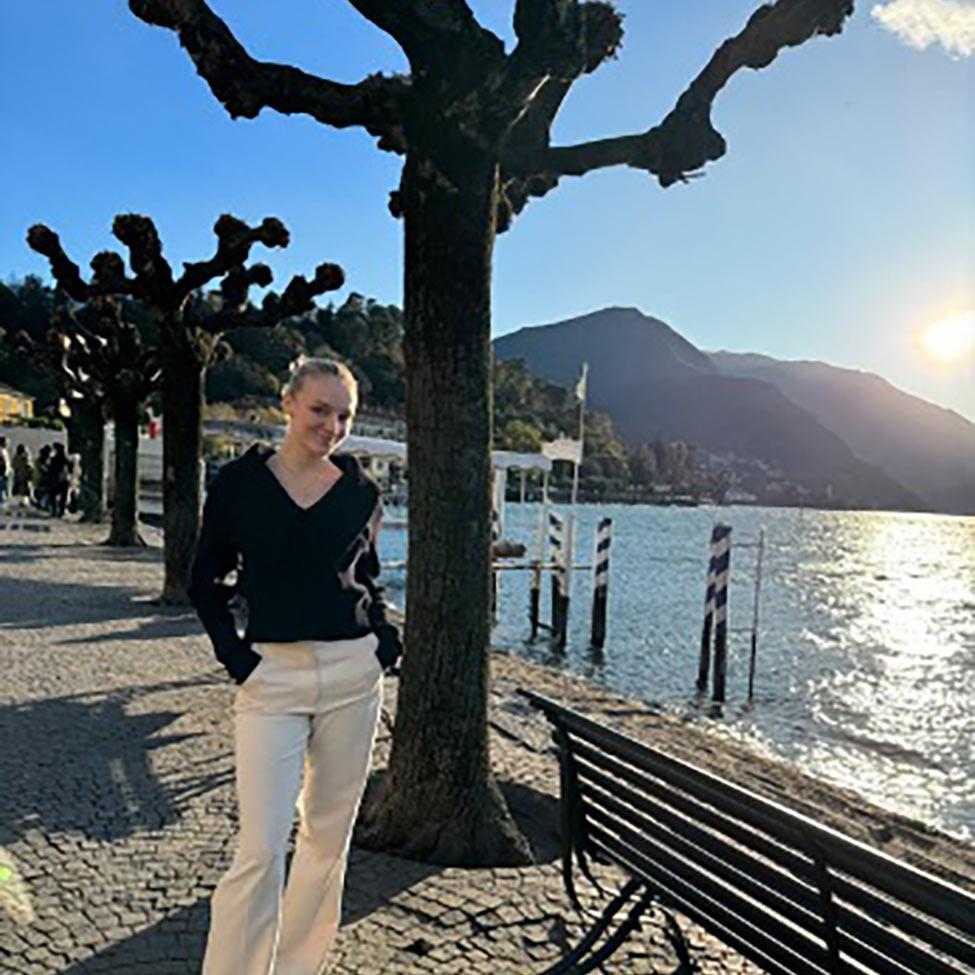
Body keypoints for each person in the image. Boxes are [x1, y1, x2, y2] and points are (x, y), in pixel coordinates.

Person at [190, 357, 403, 975]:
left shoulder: (361, 490)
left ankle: (296, 967)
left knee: (326, 842)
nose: (331, 426)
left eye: (343, 415)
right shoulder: (238, 485)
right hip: (271, 679)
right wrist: (237, 658)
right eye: (319, 410)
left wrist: (384, 642)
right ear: (287, 404)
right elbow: (204, 580)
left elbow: (367, 575)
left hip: (352, 674)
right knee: (260, 848)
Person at [48, 442, 71, 517]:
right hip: (63, 479)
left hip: (56, 479)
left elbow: (51, 469)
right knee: (63, 497)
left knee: (53, 495)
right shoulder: (65, 459)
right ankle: (61, 511)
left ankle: (55, 511)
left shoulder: (54, 459)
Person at [33, 444, 52, 512]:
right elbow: (42, 469)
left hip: (42, 478)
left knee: (43, 492)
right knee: (43, 491)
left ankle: (43, 504)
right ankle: (42, 505)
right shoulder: (42, 460)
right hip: (42, 478)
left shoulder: (45, 459)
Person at [0, 436, 9, 504]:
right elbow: (2, 462)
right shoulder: (1, 451)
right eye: (6, 442)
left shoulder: (4, 450)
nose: (7, 444)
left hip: (4, 473)